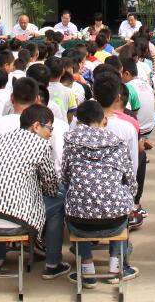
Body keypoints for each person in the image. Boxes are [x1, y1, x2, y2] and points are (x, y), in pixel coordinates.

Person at [0, 105, 60, 276]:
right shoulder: (41, 145)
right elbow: (51, 187)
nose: (50, 134)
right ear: (36, 126)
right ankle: (53, 263)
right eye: (50, 128)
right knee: (59, 201)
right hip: (15, 223)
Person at [62, 99, 138, 285]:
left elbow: (65, 177)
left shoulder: (70, 142)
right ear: (104, 120)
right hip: (115, 221)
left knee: (75, 201)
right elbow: (131, 181)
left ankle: (87, 267)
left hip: (79, 222)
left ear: (78, 121)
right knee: (121, 200)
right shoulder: (118, 143)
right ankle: (116, 265)